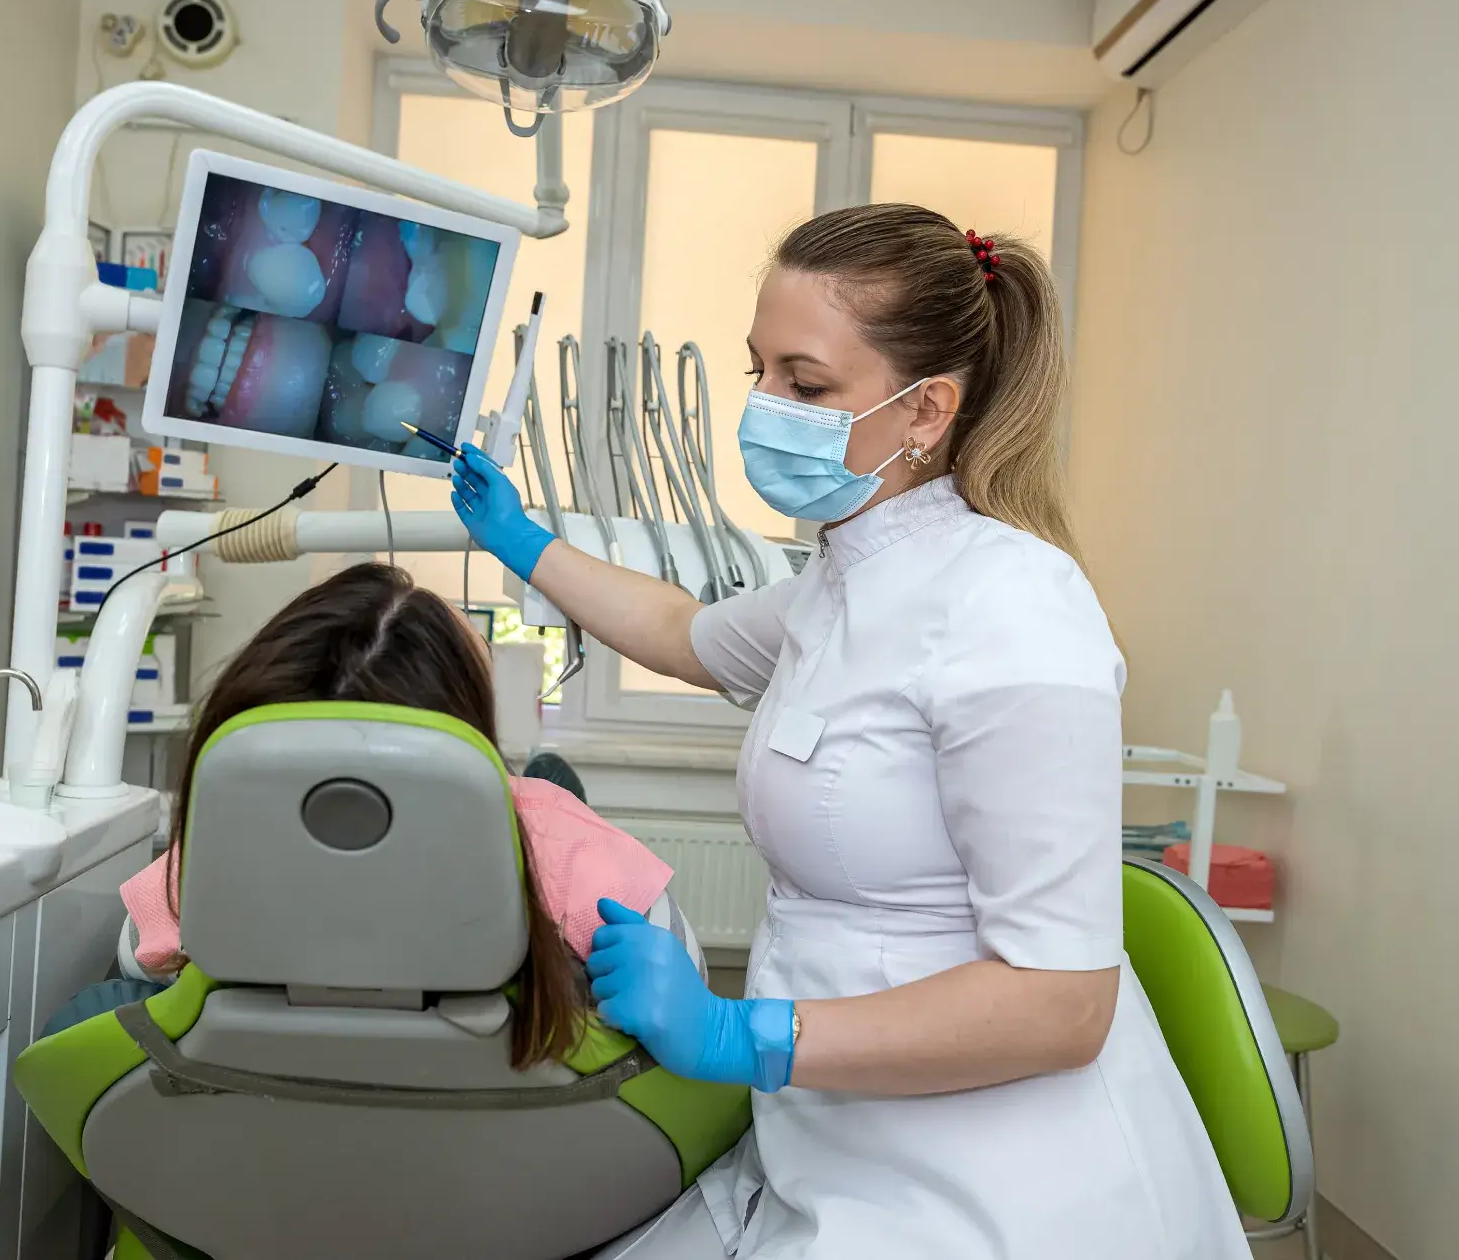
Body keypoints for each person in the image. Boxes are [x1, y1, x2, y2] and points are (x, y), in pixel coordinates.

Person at [451, 205, 1249, 1257]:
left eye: (806, 383)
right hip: (829, 1126)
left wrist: (737, 1033)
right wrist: (520, 541)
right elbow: (683, 634)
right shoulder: (843, 576)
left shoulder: (1012, 607)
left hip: (988, 1173)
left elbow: (1061, 1006)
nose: (765, 409)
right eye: (759, 374)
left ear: (925, 411)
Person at [102, 561, 707, 1069]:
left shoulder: (222, 844)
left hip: (283, 1128)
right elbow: (683, 975)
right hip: (500, 1149)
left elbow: (136, 954)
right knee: (549, 780)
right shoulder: (560, 839)